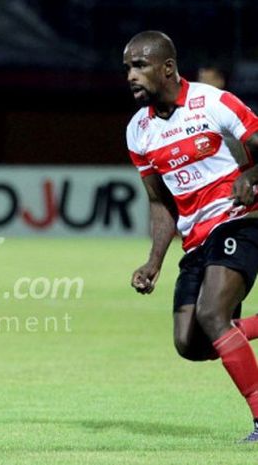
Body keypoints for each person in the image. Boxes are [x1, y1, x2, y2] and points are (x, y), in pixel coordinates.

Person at [124, 30, 258, 441]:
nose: (130, 75)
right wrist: (154, 260)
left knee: (214, 314)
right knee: (191, 342)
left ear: (167, 68)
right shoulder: (138, 131)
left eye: (139, 65)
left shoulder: (213, 102)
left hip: (239, 220)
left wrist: (251, 175)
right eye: (127, 67)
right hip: (196, 237)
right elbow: (159, 201)